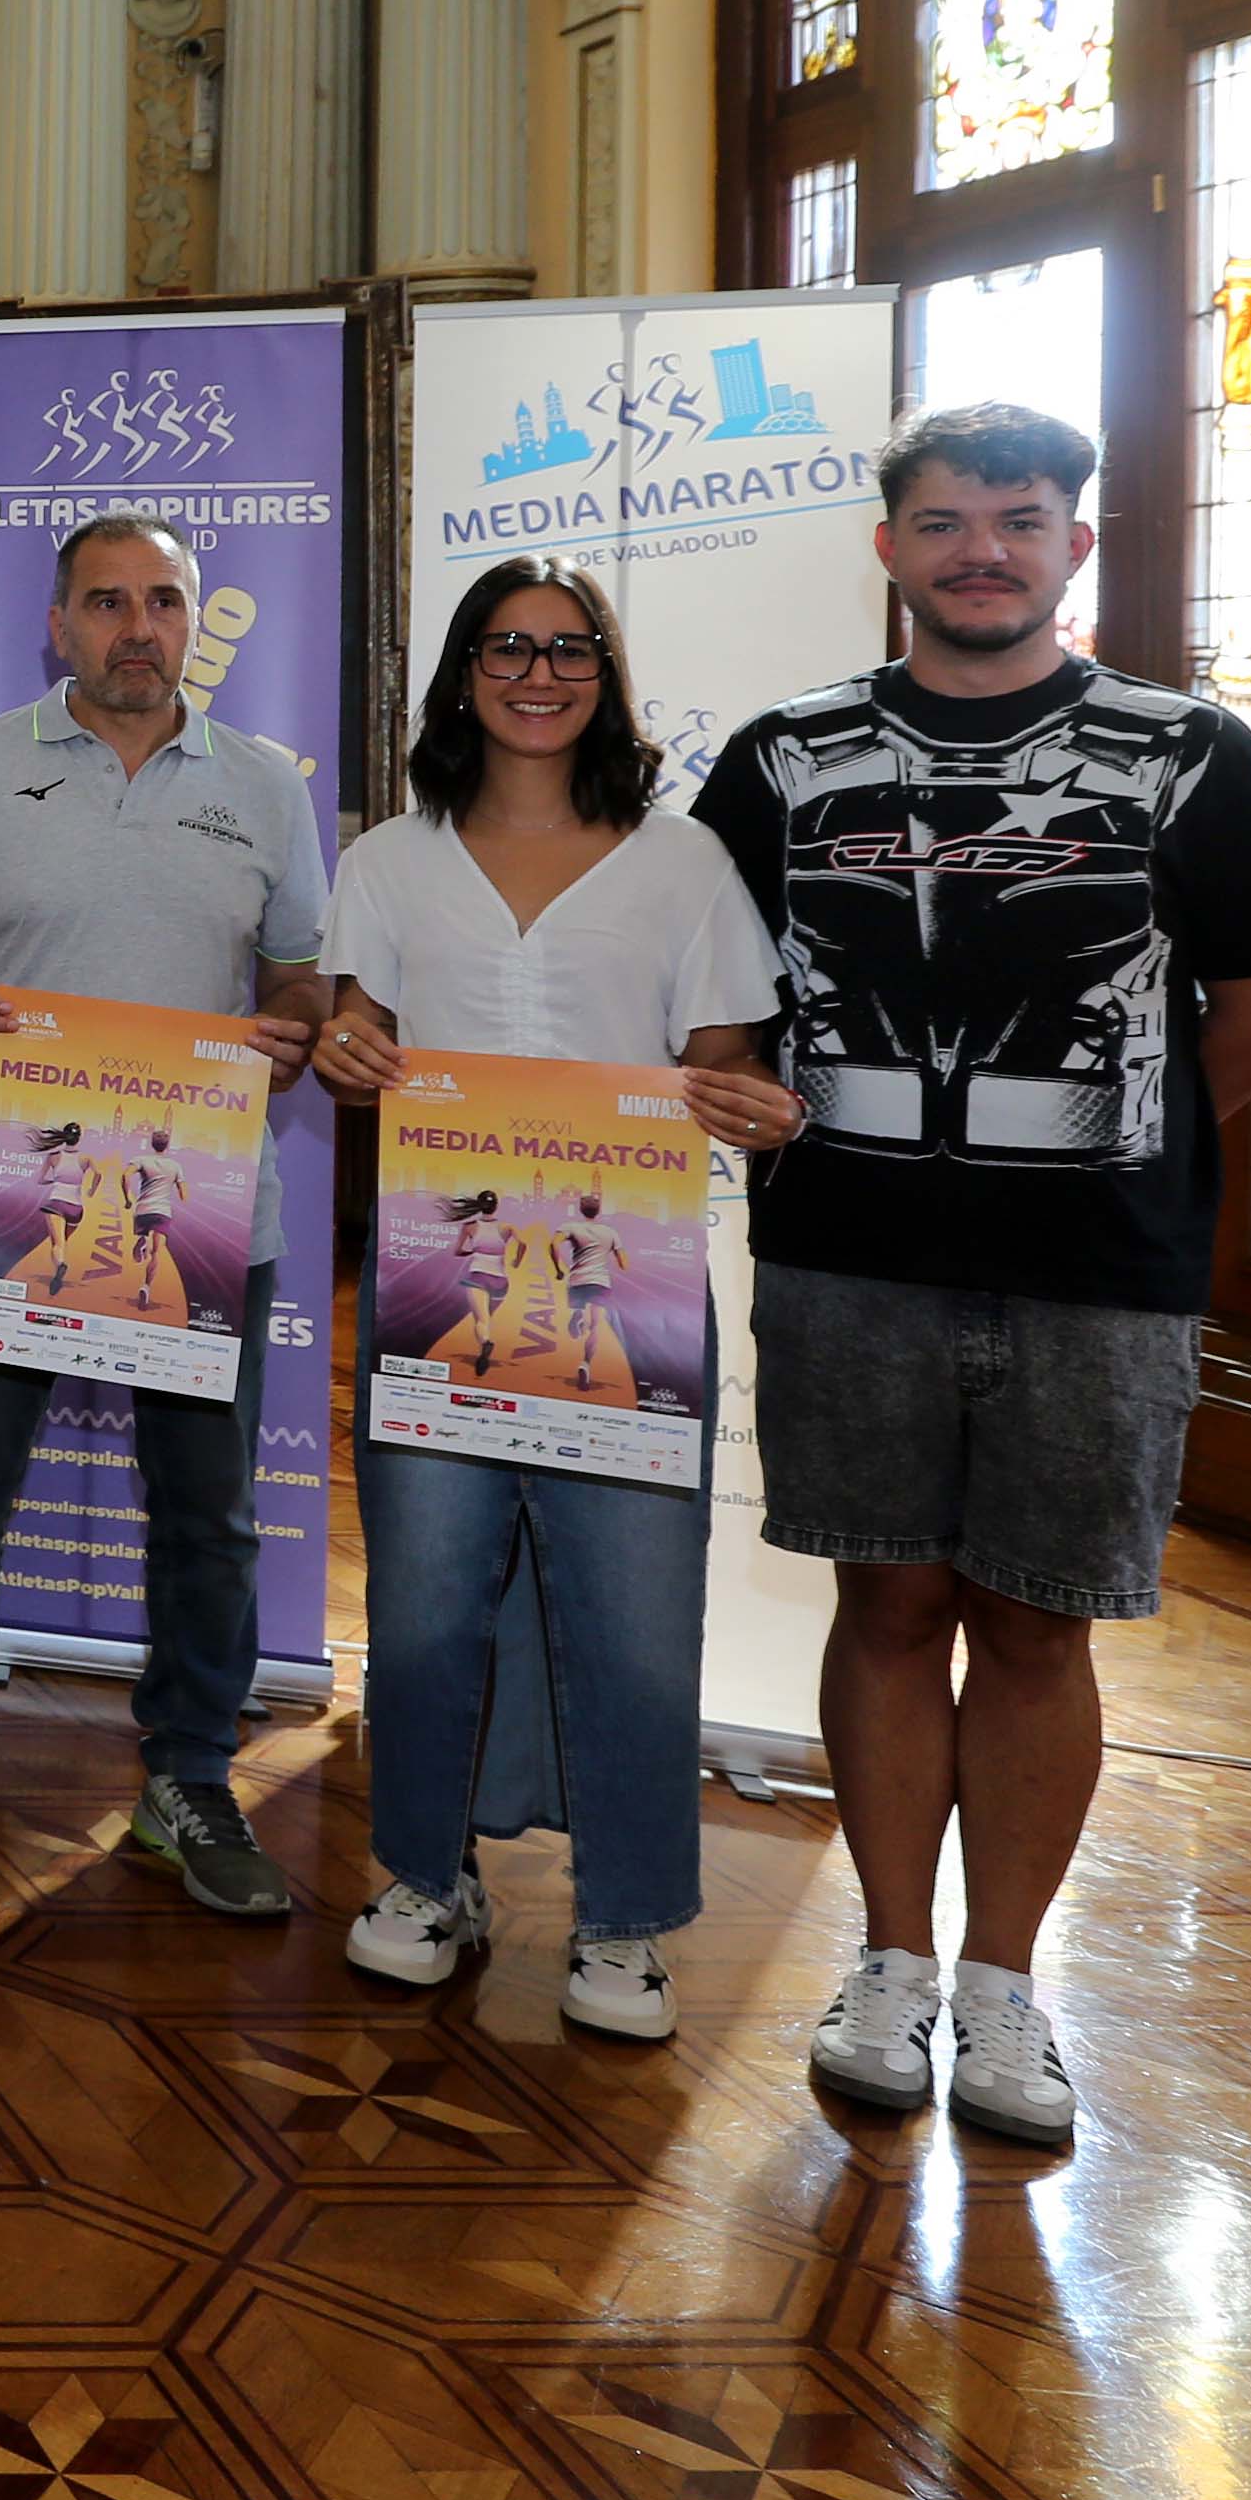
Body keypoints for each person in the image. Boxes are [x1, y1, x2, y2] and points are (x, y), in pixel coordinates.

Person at [695, 403, 1251, 2143]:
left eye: (1020, 519)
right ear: (888, 548)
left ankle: (1004, 1986)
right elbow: (710, 992)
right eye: (946, 521)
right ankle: (891, 1961)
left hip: (1097, 1278)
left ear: (1075, 545)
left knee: (1042, 1626)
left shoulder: (1195, 755)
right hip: (850, 1262)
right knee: (889, 1606)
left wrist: (1116, 1142)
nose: (983, 551)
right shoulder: (781, 760)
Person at [310, 556, 801, 2039]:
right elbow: (357, 1032)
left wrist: (756, 1106)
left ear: (608, 675)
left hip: (625, 1289)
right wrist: (343, 1052)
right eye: (509, 648)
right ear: (464, 674)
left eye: (570, 649)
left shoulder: (683, 863)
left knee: (634, 1613)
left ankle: (625, 1917)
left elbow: (731, 1061)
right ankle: (426, 1877)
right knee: (425, 1602)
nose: (539, 675)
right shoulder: (389, 862)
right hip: (438, 1284)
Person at [0, 511, 327, 1914]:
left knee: (208, 1517)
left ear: (192, 621)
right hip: (3, 1192)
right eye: (109, 603)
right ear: (58, 624)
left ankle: (190, 1775)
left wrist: (291, 1031)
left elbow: (300, 975)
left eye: (164, 603)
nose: (139, 629)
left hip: (195, 1206)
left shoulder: (265, 785)